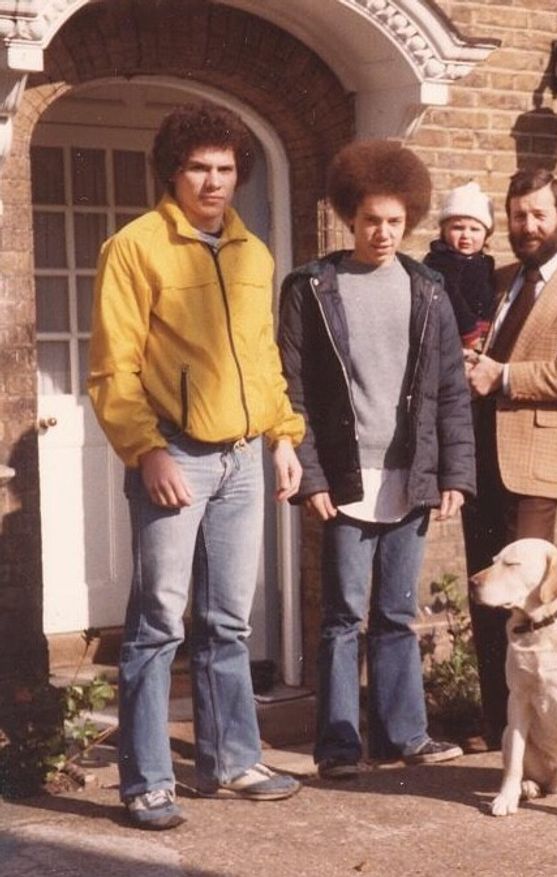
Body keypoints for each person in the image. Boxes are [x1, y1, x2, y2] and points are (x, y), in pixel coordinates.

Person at [88, 102, 304, 830]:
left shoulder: (254, 252)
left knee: (228, 621)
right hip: (173, 454)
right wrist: (145, 450)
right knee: (157, 623)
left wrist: (282, 435)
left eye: (225, 168)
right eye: (198, 168)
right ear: (173, 172)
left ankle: (230, 759)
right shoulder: (135, 247)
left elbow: (265, 356)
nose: (213, 182)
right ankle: (147, 781)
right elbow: (113, 369)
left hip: (245, 458)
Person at [277, 140, 476, 779]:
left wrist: (455, 476)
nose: (383, 233)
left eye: (394, 221)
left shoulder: (430, 289)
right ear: (349, 217)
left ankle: (403, 736)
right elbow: (294, 387)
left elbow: (450, 389)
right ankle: (338, 747)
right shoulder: (311, 287)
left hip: (409, 475)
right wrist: (309, 475)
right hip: (343, 476)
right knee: (340, 617)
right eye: (370, 221)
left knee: (395, 611)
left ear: (409, 220)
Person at [462, 168, 557, 751]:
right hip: (479, 461)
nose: (526, 226)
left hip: (536, 462)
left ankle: (548, 739)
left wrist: (503, 376)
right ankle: (496, 724)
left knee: (531, 603)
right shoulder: (498, 281)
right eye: (518, 216)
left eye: (538, 216)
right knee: (485, 594)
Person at [423, 181, 497, 352]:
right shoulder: (440, 262)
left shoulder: (485, 262)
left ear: (486, 235)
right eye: (458, 228)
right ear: (444, 231)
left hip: (481, 340)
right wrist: (469, 332)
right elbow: (451, 297)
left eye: (475, 229)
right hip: (452, 336)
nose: (466, 235)